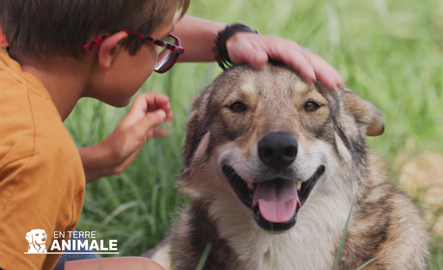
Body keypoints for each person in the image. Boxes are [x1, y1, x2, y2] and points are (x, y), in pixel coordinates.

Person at [0, 0, 343, 269]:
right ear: (110, 51)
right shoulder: (42, 155)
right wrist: (61, 168)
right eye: (164, 43)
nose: (168, 51)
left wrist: (89, 162)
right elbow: (33, 165)